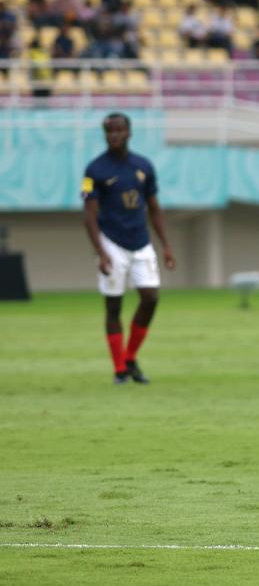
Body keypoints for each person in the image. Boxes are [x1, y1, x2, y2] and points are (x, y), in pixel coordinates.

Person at [81, 113, 176, 384]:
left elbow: (155, 208)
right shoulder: (95, 170)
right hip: (112, 244)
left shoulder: (143, 166)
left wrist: (166, 245)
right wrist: (100, 251)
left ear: (129, 133)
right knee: (114, 307)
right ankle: (120, 369)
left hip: (141, 242)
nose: (114, 135)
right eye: (109, 131)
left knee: (151, 298)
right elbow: (89, 215)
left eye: (119, 130)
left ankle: (130, 356)